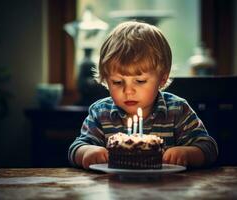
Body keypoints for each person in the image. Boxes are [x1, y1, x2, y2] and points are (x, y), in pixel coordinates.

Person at [68, 21, 218, 169]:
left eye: (140, 81)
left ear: (162, 79)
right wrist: (87, 152)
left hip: (168, 189)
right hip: (115, 188)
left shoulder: (177, 110)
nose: (128, 91)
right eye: (118, 82)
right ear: (106, 80)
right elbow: (76, 147)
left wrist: (187, 154)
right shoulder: (101, 113)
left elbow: (208, 147)